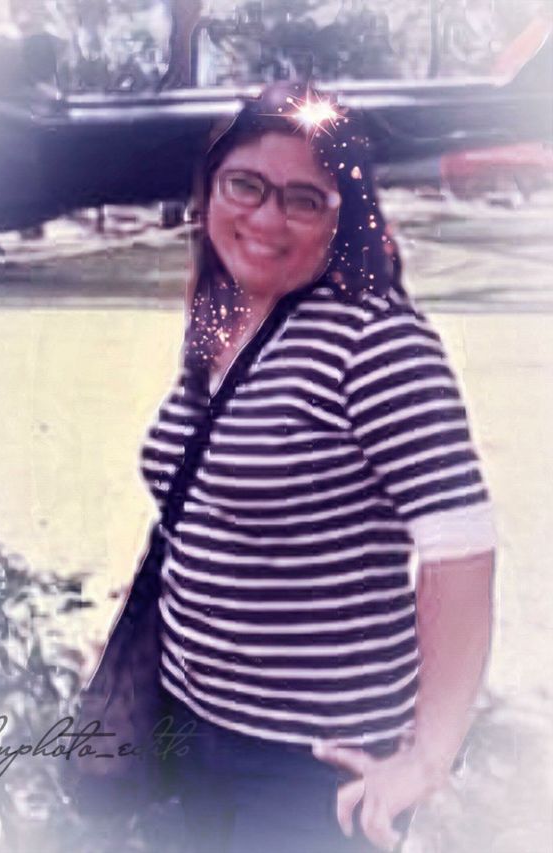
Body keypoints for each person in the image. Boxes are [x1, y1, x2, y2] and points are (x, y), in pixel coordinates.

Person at [139, 83, 496, 853]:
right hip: (191, 720)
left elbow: (462, 550)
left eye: (304, 199)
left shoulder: (377, 342)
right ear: (210, 185)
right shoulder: (225, 312)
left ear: (345, 215)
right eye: (245, 184)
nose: (267, 220)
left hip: (308, 765)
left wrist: (428, 754)